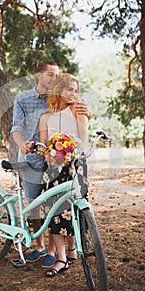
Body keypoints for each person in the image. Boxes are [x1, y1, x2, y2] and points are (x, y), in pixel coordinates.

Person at [39, 73, 90, 277]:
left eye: (76, 90)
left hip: (75, 166)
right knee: (55, 214)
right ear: (58, 89)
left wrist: (67, 152)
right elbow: (43, 147)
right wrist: (50, 153)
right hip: (52, 169)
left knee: (74, 211)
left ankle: (73, 250)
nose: (73, 94)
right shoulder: (46, 117)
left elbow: (83, 139)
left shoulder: (79, 110)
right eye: (70, 89)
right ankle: (61, 259)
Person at [11, 60, 59, 267]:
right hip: (30, 160)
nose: (54, 79)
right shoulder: (22, 99)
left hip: (55, 161)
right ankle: (38, 246)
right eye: (50, 74)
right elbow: (16, 128)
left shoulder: (59, 99)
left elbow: (75, 115)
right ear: (38, 75)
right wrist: (22, 145)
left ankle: (52, 250)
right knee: (33, 206)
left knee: (54, 206)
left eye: (57, 75)